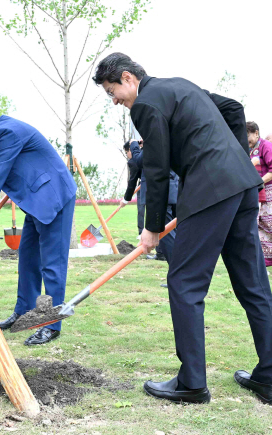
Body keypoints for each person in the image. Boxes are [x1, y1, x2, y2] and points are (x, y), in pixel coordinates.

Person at [93, 52, 272, 405]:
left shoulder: (144, 105)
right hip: (242, 187)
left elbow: (157, 168)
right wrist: (234, 162)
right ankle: (269, 376)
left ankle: (191, 383)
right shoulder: (181, 86)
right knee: (253, 284)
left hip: (211, 190)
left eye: (112, 91)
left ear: (128, 78)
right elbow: (234, 108)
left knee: (184, 282)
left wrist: (152, 228)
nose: (114, 100)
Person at [0, 100, 77, 345]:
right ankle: (24, 313)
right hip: (35, 201)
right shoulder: (1, 134)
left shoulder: (7, 132)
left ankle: (51, 325)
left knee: (52, 265)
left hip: (54, 198)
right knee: (29, 259)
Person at [247, 122, 272, 267]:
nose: (247, 139)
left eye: (248, 135)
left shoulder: (266, 146)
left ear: (256, 133)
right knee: (260, 226)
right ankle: (264, 261)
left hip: (268, 192)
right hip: (257, 194)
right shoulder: (249, 149)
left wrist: (257, 182)